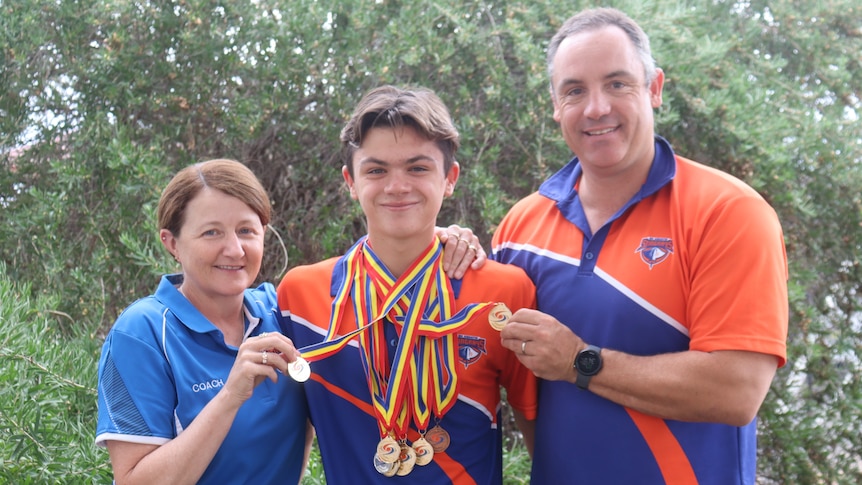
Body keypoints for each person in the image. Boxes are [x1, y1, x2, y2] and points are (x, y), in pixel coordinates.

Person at [492, 8, 789, 485]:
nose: (595, 108)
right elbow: (497, 371)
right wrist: (447, 247)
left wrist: (578, 362)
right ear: (554, 104)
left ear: (654, 88)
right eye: (574, 91)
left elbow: (738, 389)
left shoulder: (728, 212)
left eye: (617, 84)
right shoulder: (518, 227)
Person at [277, 85, 538, 484]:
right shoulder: (299, 296)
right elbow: (295, 434)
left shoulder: (504, 293)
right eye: (376, 170)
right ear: (350, 181)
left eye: (417, 168)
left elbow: (536, 425)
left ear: (450, 178)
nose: (396, 186)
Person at [94, 159, 313, 484]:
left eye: (246, 231)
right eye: (212, 232)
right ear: (172, 243)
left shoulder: (281, 312)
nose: (235, 250)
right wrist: (230, 397)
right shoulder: (142, 333)